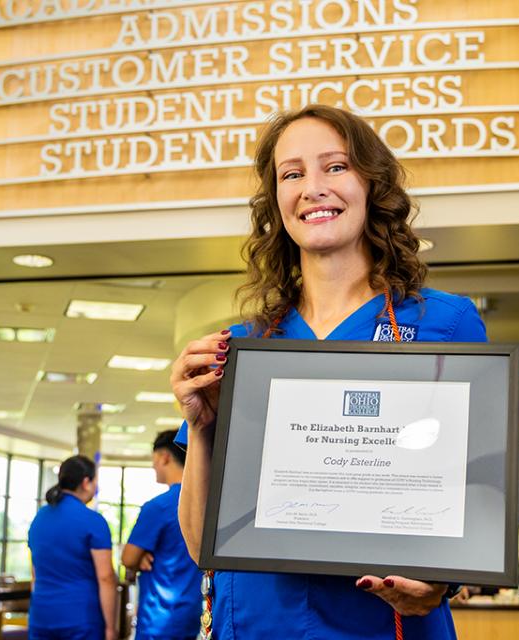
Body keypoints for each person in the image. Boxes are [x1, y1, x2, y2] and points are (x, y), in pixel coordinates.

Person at [170, 105, 487, 639]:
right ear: (276, 201)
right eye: (291, 174)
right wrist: (201, 423)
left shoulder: (444, 324)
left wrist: (440, 582)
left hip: (380, 625)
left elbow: (477, 494)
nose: (313, 187)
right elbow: (205, 545)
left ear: (371, 184)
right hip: (255, 622)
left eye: (335, 167)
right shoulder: (243, 348)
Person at [121, 430, 201, 640]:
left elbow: (128, 558)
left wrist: (140, 556)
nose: (153, 466)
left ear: (164, 457)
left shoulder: (158, 507)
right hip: (191, 614)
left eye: (154, 459)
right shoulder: (204, 504)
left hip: (159, 619)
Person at [27, 455, 117, 640]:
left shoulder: (39, 518)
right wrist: (110, 628)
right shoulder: (93, 521)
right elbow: (106, 578)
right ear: (86, 482)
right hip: (80, 619)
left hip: (41, 616)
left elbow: (35, 574)